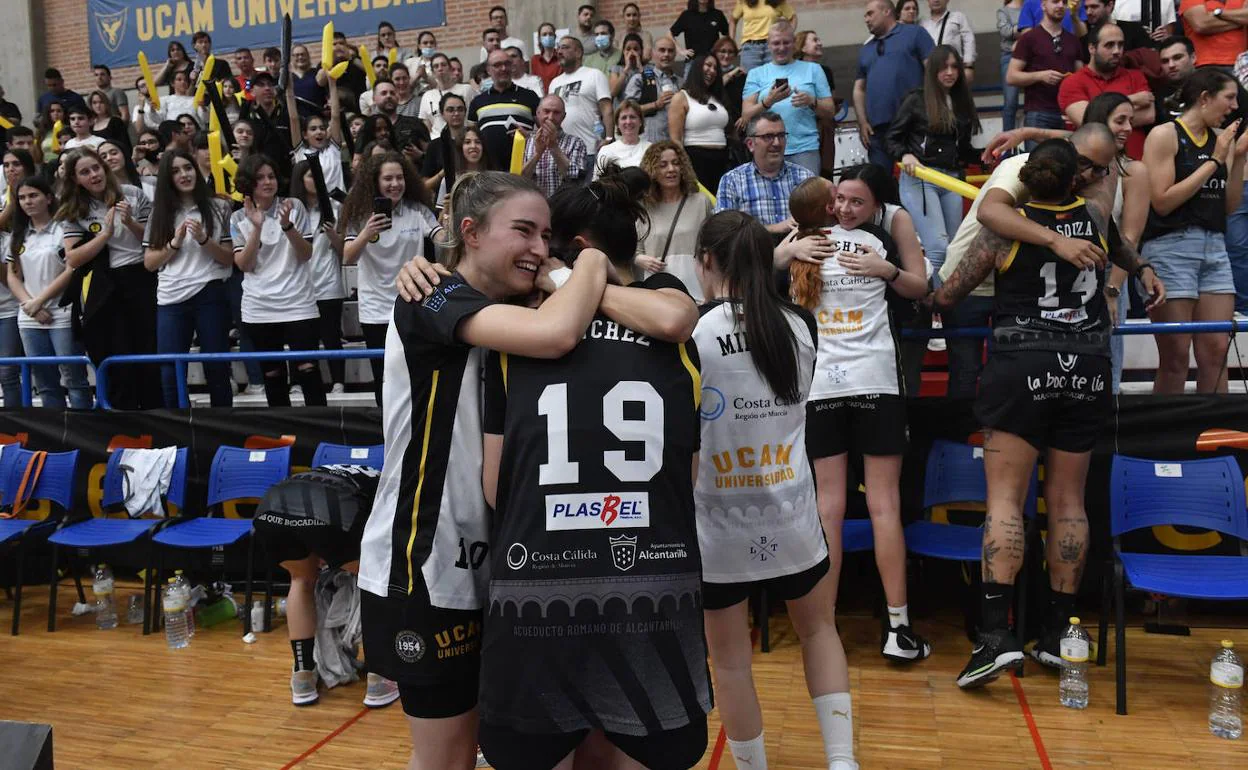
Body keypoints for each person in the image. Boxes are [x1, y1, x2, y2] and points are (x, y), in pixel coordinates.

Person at [358, 171, 612, 770]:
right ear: (468, 233)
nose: (538, 247)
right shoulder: (431, 296)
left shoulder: (513, 306)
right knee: (446, 758)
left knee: (501, 750)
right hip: (425, 560)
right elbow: (557, 333)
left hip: (504, 565)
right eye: (522, 230)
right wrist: (592, 265)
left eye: (547, 235)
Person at [477, 174, 709, 770]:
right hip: (652, 585)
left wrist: (574, 277)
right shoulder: (672, 311)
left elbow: (491, 484)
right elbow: (687, 468)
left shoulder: (517, 324)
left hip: (537, 584)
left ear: (573, 246)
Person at [932, 138, 1163, 687]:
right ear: (1075, 180)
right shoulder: (1095, 215)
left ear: (1027, 179)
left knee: (1005, 502)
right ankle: (1060, 634)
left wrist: (923, 294)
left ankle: (994, 638)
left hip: (1022, 364)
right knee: (1068, 502)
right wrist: (1143, 267)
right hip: (1085, 366)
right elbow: (1123, 247)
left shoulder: (1004, 228)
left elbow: (951, 294)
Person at [693, 207, 858, 770]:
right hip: (790, 510)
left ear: (707, 262)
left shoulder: (694, 332)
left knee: (732, 661)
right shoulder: (800, 324)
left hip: (717, 519)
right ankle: (842, 761)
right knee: (819, 633)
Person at [786, 170, 931, 666]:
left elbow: (918, 288)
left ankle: (895, 626)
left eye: (856, 201)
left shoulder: (865, 243)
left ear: (873, 206)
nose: (845, 208)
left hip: (869, 382)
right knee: (840, 508)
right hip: (833, 385)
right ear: (829, 203)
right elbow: (918, 287)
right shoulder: (807, 242)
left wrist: (883, 269)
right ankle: (833, 626)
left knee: (870, 507)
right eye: (840, 199)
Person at [253, 464, 400, 707]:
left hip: (271, 506)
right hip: (329, 509)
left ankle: (303, 676)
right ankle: (379, 677)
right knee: (376, 582)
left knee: (300, 580)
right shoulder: (391, 482)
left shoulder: (344, 472)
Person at [1141, 68, 1248, 394]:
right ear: (1204, 98)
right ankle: (1167, 440)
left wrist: (1238, 158)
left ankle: (1217, 437)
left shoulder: (1222, 141)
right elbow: (1161, 201)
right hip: (1170, 246)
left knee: (1216, 351)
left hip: (1215, 245)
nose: (1233, 107)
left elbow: (1227, 207)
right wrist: (1213, 163)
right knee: (1175, 356)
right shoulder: (1164, 135)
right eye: (1228, 98)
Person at [59, 148, 162, 409]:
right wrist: (104, 235)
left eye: (96, 167)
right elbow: (73, 258)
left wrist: (130, 223)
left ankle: (155, 414)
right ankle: (121, 417)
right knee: (115, 353)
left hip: (140, 276)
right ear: (75, 180)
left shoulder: (133, 194)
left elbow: (153, 243)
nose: (94, 175)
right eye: (85, 172)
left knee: (146, 349)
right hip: (103, 284)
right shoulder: (74, 210)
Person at [341, 151, 440, 404]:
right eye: (388, 179)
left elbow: (442, 239)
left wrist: (450, 225)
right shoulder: (360, 214)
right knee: (383, 377)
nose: (395, 184)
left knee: (412, 373)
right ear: (375, 181)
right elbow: (347, 257)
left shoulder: (417, 210)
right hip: (374, 310)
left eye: (400, 178)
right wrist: (366, 232)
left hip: (411, 304)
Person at [229, 154, 326, 408]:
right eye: (260, 178)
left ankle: (320, 433)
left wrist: (287, 226)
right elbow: (244, 265)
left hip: (298, 302)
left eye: (271, 176)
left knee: (308, 370)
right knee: (272, 375)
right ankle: (282, 435)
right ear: (248, 183)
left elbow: (306, 254)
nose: (267, 182)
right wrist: (257, 228)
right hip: (259, 308)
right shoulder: (238, 218)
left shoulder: (294, 206)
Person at [142, 150, 234, 407]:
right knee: (170, 371)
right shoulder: (159, 213)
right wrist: (174, 243)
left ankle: (222, 430)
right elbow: (149, 263)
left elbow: (229, 258)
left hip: (210, 291)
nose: (184, 175)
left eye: (188, 168)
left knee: (217, 369)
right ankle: (177, 429)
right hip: (171, 297)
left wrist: (205, 240)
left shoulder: (219, 207)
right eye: (176, 171)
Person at [886, 45, 980, 276]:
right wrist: (904, 154)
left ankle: (947, 304)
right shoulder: (917, 99)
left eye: (954, 67)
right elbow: (891, 138)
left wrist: (988, 155)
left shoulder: (961, 102)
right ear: (933, 71)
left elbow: (964, 149)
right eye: (943, 67)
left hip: (951, 179)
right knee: (938, 248)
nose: (949, 72)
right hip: (921, 177)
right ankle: (938, 306)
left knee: (956, 248)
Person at [1081, 92, 1152, 392]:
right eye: (1119, 120)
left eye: (1131, 122)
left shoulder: (1134, 170)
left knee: (1107, 363)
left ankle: (1108, 429)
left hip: (1111, 271)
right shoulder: (1074, 163)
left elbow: (1130, 237)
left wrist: (1112, 289)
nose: (1126, 128)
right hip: (1067, 269)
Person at [5, 175, 91, 408]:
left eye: (33, 195)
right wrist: (30, 305)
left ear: (49, 197)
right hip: (30, 316)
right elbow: (12, 274)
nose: (27, 201)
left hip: (62, 313)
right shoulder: (18, 233)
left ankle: (82, 434)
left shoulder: (64, 228)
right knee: (44, 381)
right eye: (22, 197)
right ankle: (56, 439)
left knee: (74, 379)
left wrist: (40, 301)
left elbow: (72, 269)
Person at [743, 22, 834, 176]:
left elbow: (830, 111)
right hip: (767, 148)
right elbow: (746, 116)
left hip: (804, 148)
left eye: (786, 42)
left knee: (808, 199)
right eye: (776, 43)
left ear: (793, 43)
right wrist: (768, 101)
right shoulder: (756, 74)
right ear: (768, 45)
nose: (781, 47)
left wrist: (812, 101)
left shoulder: (813, 69)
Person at [855, 0, 936, 170]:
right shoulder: (866, 49)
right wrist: (862, 122)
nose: (866, 19)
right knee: (881, 183)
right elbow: (859, 89)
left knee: (919, 181)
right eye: (864, 16)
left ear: (886, 12)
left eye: (870, 13)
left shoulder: (915, 34)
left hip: (914, 125)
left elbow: (933, 71)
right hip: (878, 131)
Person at [289, 160, 346, 395]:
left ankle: (338, 381)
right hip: (298, 285)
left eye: (318, 176)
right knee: (300, 338)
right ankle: (297, 382)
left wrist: (333, 234)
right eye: (311, 176)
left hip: (329, 281)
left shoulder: (334, 206)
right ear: (300, 180)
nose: (316, 180)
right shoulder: (291, 209)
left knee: (331, 334)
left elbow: (346, 250)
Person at [1058, 23, 1154, 160]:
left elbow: (1149, 115)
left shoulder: (1136, 76)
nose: (1117, 51)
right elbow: (1090, 122)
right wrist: (1132, 100)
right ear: (1092, 48)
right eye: (1109, 45)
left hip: (1136, 161)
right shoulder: (1072, 82)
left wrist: (1104, 113)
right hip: (1095, 165)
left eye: (1120, 45)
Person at [636, 141, 714, 299]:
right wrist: (639, 259)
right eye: (663, 165)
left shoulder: (700, 201)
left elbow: (712, 244)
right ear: (652, 171)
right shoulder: (643, 207)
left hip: (696, 288)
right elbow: (633, 250)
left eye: (676, 163)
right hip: (657, 289)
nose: (671, 169)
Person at [715, 112, 813, 233]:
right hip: (752, 250)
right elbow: (724, 231)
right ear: (750, 144)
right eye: (768, 136)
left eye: (781, 135)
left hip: (799, 248)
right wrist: (774, 228)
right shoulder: (732, 181)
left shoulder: (805, 178)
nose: (777, 143)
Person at [1007, 0, 1083, 148]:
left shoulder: (1073, 41)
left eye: (1064, 2)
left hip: (1068, 114)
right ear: (1043, 5)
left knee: (1067, 166)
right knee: (1037, 165)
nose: (1060, 5)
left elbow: (1081, 77)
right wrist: (1040, 76)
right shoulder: (1028, 39)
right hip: (1038, 112)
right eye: (1055, 1)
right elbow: (1011, 76)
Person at [469, 50, 541, 171]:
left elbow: (544, 132)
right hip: (489, 171)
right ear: (488, 70)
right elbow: (470, 136)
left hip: (524, 169)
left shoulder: (529, 96)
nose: (503, 68)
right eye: (497, 65)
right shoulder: (477, 101)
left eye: (507, 64)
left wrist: (529, 135)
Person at [549, 38, 614, 174]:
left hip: (589, 149)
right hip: (561, 151)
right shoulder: (554, 83)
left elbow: (607, 109)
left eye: (565, 47)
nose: (559, 52)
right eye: (559, 48)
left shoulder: (594, 74)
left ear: (578, 52)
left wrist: (608, 138)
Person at [670, 55, 730, 191]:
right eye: (708, 65)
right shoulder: (681, 97)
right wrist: (685, 168)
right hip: (696, 160)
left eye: (715, 68)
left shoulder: (718, 97)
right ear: (697, 68)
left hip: (722, 159)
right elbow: (675, 139)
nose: (712, 70)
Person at [286, 72, 345, 195]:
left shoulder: (333, 150)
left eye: (322, 128)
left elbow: (335, 116)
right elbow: (293, 118)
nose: (319, 132)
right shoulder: (301, 153)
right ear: (305, 135)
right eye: (313, 129)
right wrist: (289, 88)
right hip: (313, 210)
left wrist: (332, 83)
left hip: (340, 209)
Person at [521, 95, 588, 197]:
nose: (551, 117)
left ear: (563, 116)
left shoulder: (577, 143)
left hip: (563, 206)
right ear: (538, 113)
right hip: (534, 206)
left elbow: (575, 179)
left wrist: (554, 147)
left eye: (556, 113)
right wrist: (537, 154)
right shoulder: (526, 142)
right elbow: (519, 179)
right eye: (546, 111)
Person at [795, 30, 838, 177]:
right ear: (802, 47)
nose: (819, 43)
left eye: (819, 39)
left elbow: (831, 102)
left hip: (823, 128)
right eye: (814, 40)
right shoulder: (794, 71)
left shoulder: (825, 71)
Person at [625, 37, 684, 142]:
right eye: (662, 50)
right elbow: (628, 111)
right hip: (649, 143)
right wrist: (655, 104)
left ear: (675, 55)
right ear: (652, 54)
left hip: (675, 144)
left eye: (670, 51)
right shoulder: (640, 79)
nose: (666, 54)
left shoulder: (681, 83)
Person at [237, 72, 294, 182]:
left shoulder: (286, 115)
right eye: (261, 85)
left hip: (285, 178)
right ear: (252, 91)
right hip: (255, 179)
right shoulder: (247, 119)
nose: (267, 88)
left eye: (270, 84)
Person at [418, 55, 478, 136]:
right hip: (437, 142)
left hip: (462, 140)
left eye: (443, 65)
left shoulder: (466, 90)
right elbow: (426, 126)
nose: (440, 68)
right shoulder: (427, 96)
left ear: (450, 69)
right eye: (436, 66)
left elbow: (474, 119)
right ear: (432, 72)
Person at [1178, 0, 1248, 69]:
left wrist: (1218, 13)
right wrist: (1241, 20)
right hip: (1206, 63)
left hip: (1243, 63)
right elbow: (1202, 25)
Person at [730, 0, 798, 71]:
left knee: (774, 77)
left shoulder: (778, 1)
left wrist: (787, 36)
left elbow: (793, 18)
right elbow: (733, 20)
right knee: (750, 77)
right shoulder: (744, 1)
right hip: (750, 47)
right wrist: (732, 42)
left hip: (772, 46)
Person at [423, 92, 470, 188]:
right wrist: (444, 172)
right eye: (450, 110)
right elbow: (425, 185)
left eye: (460, 109)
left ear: (465, 112)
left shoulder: (475, 140)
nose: (456, 113)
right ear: (442, 114)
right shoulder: (435, 145)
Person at [593, 100, 651, 179]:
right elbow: (596, 184)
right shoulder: (606, 151)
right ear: (617, 124)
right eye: (624, 118)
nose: (628, 121)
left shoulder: (650, 149)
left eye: (632, 117)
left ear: (640, 121)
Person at [921, 0, 976, 82]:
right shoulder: (922, 23)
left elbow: (968, 40)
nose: (936, 0)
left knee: (958, 94)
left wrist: (968, 66)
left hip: (955, 67)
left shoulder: (958, 17)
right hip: (932, 70)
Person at [433, 127, 490, 206]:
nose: (473, 146)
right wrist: (447, 208)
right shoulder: (449, 180)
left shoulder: (492, 179)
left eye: (477, 142)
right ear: (460, 148)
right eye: (467, 142)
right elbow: (440, 218)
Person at [140, 70, 205, 131]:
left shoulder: (195, 99)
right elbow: (158, 120)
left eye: (185, 80)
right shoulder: (165, 100)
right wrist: (152, 110)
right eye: (179, 80)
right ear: (172, 83)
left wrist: (203, 107)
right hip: (173, 134)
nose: (183, 82)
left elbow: (205, 119)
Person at [999, 0, 1026, 132]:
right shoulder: (1004, 11)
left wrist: (1019, 31)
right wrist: (1026, 27)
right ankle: (1006, 145)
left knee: (1036, 102)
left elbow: (1039, 28)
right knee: (1010, 101)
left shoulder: (1032, 6)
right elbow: (1005, 31)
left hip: (1031, 55)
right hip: (1009, 55)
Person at [612, 34, 649, 99]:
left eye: (636, 49)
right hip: (621, 107)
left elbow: (651, 88)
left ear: (641, 51)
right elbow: (613, 92)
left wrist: (640, 67)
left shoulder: (649, 68)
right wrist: (626, 69)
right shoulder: (616, 68)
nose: (632, 53)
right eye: (628, 49)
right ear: (623, 51)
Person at [1018, 0, 1087, 34]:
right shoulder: (1030, 2)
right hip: (1041, 55)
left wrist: (1074, 16)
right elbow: (1027, 36)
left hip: (1070, 52)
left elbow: (1083, 34)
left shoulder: (1075, 1)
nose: (1061, 5)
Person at [532, 23, 563, 90]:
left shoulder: (561, 57)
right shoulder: (535, 60)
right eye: (544, 34)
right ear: (539, 39)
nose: (548, 36)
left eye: (550, 34)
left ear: (555, 37)